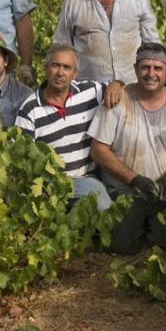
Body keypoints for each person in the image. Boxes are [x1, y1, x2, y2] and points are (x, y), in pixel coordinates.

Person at [89, 44, 166, 255]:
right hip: (125, 191)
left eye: (158, 68)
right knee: (119, 246)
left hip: (165, 193)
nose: (151, 74)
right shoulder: (117, 99)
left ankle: (152, 228)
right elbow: (98, 149)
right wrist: (134, 179)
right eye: (145, 67)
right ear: (136, 68)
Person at [15, 44, 116, 212]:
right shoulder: (30, 109)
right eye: (55, 65)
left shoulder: (91, 92)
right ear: (45, 68)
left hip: (84, 178)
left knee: (103, 207)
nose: (60, 72)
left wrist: (117, 83)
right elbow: (20, 157)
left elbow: (115, 87)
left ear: (75, 73)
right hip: (49, 183)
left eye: (67, 67)